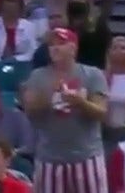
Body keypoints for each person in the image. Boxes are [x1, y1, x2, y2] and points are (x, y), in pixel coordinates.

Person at [21, 27, 109, 193]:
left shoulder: (92, 75)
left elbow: (102, 112)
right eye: (51, 44)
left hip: (86, 156)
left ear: (73, 48)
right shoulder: (37, 76)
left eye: (61, 43)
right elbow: (29, 110)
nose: (54, 48)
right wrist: (50, 96)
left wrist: (80, 103)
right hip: (49, 158)